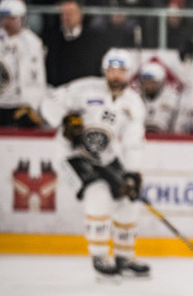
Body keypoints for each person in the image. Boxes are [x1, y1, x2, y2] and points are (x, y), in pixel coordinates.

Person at [40, 48, 150, 279]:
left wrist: (132, 172)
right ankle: (100, 256)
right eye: (111, 70)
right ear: (105, 71)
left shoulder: (133, 103)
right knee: (98, 193)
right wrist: (65, 119)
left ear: (128, 74)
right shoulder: (85, 88)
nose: (116, 75)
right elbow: (48, 100)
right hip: (71, 155)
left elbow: (133, 143)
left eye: (121, 71)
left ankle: (124, 257)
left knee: (129, 199)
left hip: (106, 157)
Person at [0, 0, 46, 128]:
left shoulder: (31, 42)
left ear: (22, 18)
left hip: (19, 106)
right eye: (4, 18)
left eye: (12, 18)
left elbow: (34, 78)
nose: (7, 22)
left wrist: (32, 105)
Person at [43, 0, 108, 87]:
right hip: (60, 91)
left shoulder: (95, 39)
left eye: (70, 13)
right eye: (64, 14)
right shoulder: (53, 39)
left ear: (80, 15)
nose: (66, 17)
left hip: (87, 90)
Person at [139, 61, 180, 132]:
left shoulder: (173, 99)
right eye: (145, 82)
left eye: (152, 82)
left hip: (167, 139)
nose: (148, 86)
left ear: (160, 82)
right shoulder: (136, 99)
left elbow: (179, 127)